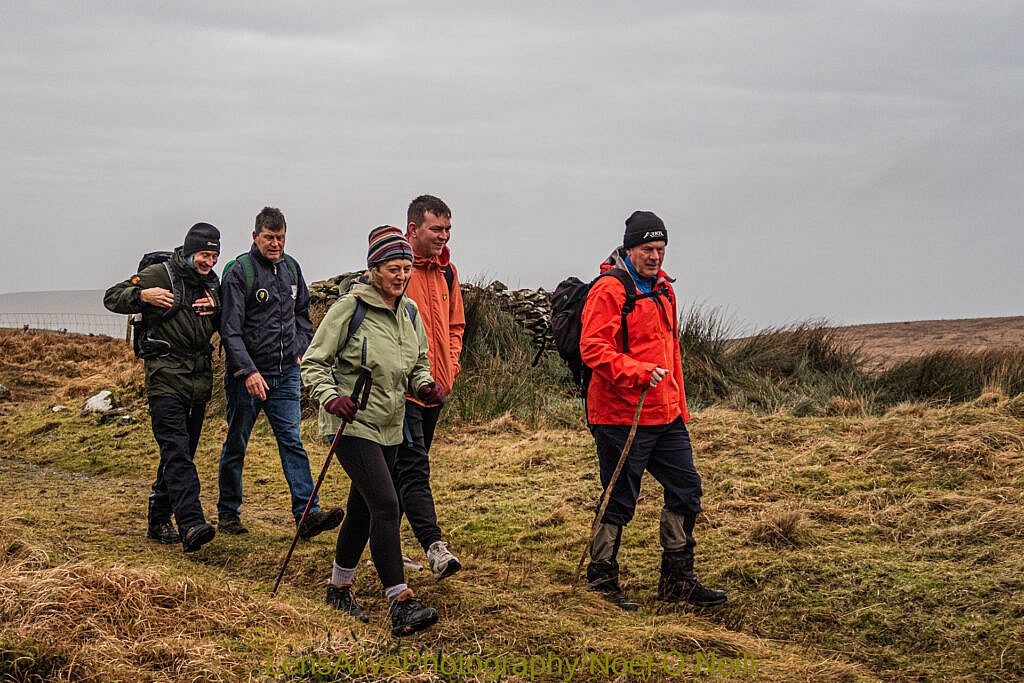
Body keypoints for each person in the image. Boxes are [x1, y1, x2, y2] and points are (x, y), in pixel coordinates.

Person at [580, 210, 727, 610]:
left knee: (687, 488)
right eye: (648, 248)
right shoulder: (609, 290)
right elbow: (593, 349)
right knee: (619, 497)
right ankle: (602, 578)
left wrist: (679, 405)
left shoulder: (664, 289)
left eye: (661, 248)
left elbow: (672, 350)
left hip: (666, 415)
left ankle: (678, 580)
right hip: (618, 414)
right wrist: (638, 372)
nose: (656, 256)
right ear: (630, 248)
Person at [301, 225, 443, 636]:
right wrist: (331, 397)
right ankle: (400, 601)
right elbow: (314, 361)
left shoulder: (410, 312)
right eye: (393, 268)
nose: (401, 276)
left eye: (406, 268)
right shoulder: (350, 309)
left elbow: (418, 361)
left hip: (391, 424)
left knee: (363, 509)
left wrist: (423, 384)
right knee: (387, 504)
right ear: (373, 269)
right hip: (351, 423)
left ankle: (338, 588)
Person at [217, 207, 343, 538]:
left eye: (281, 238)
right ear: (255, 236)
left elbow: (303, 313)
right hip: (248, 378)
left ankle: (307, 514)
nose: (275, 244)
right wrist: (248, 371)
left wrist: (301, 348)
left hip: (286, 374)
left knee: (292, 441)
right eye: (269, 237)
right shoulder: (239, 273)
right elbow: (230, 331)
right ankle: (228, 512)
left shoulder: (290, 269)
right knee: (237, 442)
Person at [103, 222, 222, 553]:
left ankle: (157, 519)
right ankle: (191, 523)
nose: (208, 262)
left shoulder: (212, 283)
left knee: (181, 453)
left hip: (199, 381)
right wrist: (142, 294)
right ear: (189, 250)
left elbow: (227, 321)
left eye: (213, 255)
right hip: (164, 377)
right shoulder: (160, 274)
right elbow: (111, 297)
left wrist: (218, 308)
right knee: (177, 452)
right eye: (203, 254)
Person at [397, 194, 466, 579]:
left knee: (396, 476)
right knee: (414, 468)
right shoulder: (397, 272)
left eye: (447, 229)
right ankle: (434, 547)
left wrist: (449, 371)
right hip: (403, 393)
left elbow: (456, 326)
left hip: (435, 393)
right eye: (436, 229)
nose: (443, 236)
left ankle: (382, 545)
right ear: (413, 229)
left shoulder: (447, 273)